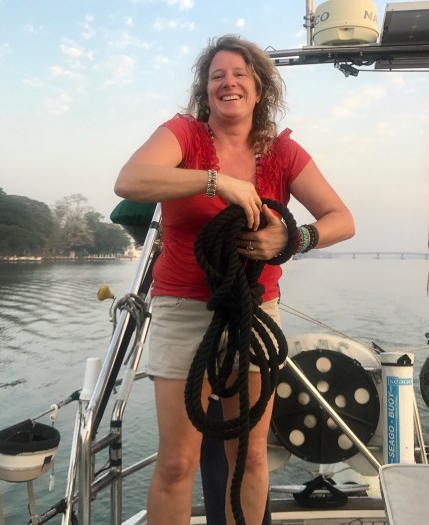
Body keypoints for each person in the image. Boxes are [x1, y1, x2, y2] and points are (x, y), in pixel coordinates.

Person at [114, 35, 355, 525]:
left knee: (249, 458)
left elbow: (341, 219)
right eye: (217, 75)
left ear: (259, 89)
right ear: (205, 90)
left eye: (240, 74)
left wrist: (292, 238)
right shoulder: (184, 135)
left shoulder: (282, 151)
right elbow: (130, 180)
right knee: (177, 463)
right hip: (183, 310)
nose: (229, 83)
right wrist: (215, 181)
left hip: (253, 312)